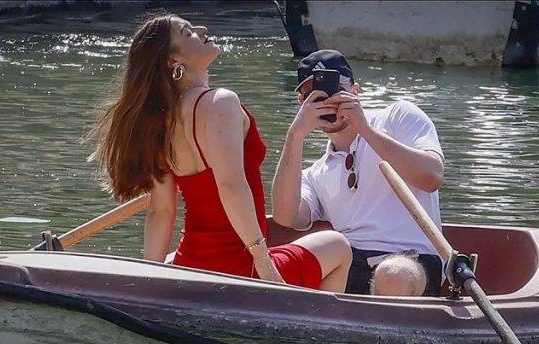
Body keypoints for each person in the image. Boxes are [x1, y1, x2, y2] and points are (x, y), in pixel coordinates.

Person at [89, 15, 351, 291]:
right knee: (338, 246)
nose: (203, 30)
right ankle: (309, 330)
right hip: (241, 270)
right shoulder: (220, 102)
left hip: (190, 264)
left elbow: (161, 210)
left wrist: (150, 281)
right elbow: (230, 186)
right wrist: (263, 264)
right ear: (173, 61)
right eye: (188, 32)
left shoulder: (160, 120)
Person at [272, 50, 445, 296]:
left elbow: (432, 177)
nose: (327, 101)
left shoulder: (398, 116)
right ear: (302, 103)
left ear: (355, 91)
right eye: (314, 95)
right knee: (310, 252)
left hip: (412, 262)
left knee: (392, 275)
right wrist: (295, 135)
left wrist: (364, 129)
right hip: (349, 263)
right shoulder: (314, 174)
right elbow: (286, 217)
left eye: (335, 91)